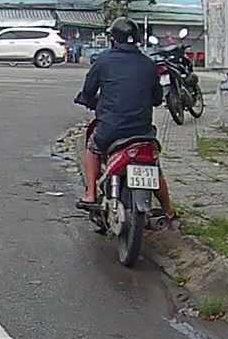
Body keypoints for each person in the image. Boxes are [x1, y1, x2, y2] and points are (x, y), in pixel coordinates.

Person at [75, 16, 175, 220]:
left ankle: (90, 193)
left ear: (113, 39)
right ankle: (168, 209)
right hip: (143, 132)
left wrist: (86, 100)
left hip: (110, 130)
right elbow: (157, 98)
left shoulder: (103, 61)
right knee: (154, 166)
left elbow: (88, 91)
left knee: (92, 148)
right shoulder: (148, 64)